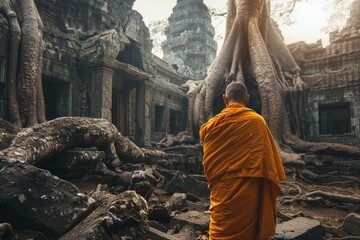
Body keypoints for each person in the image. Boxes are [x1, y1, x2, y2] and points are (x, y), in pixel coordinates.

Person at [199, 82, 286, 240]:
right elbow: (267, 162)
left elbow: (210, 160)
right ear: (247, 99)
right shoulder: (257, 122)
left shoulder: (209, 127)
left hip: (221, 189)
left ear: (225, 99)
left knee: (220, 229)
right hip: (248, 192)